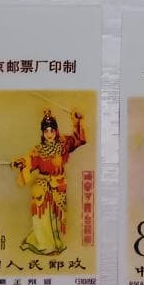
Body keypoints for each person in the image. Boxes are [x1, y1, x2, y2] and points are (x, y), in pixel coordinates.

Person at [9, 107, 86, 256]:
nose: (49, 134)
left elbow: (79, 140)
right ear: (42, 133)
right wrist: (20, 163)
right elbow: (28, 160)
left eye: (52, 131)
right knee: (41, 218)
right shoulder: (38, 150)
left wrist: (77, 121)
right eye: (46, 131)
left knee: (55, 218)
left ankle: (54, 244)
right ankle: (44, 245)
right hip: (43, 188)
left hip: (58, 186)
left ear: (56, 131)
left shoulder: (63, 145)